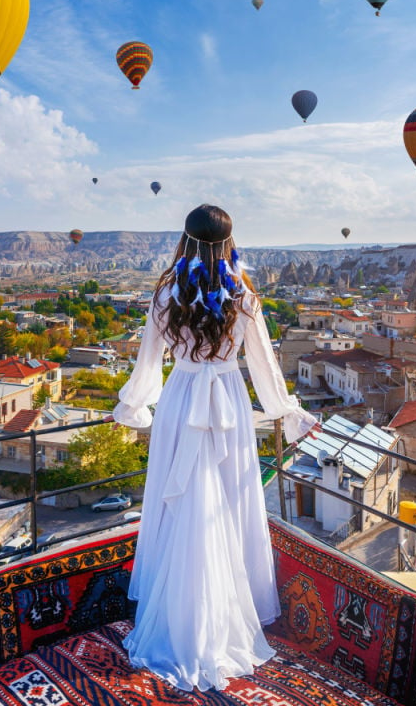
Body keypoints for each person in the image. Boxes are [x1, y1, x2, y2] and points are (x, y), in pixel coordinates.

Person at [113, 203, 317, 691]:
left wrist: (133, 407)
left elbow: (148, 363)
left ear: (184, 241)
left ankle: (176, 615)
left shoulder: (165, 294)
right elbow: (264, 364)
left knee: (177, 499)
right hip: (227, 403)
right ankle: (228, 613)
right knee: (229, 501)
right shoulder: (244, 296)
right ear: (230, 243)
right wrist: (285, 412)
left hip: (182, 402)